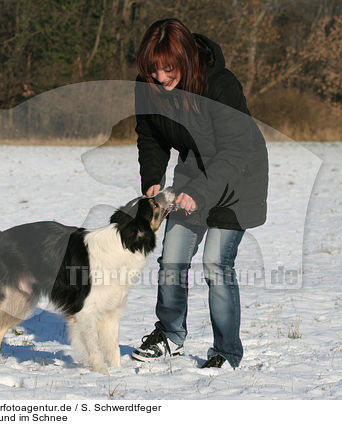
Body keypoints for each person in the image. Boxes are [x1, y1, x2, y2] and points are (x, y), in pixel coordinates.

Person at [131, 18, 268, 368]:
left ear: (185, 59)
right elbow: (151, 135)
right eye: (152, 70)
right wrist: (153, 178)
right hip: (194, 174)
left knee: (215, 264)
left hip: (239, 178)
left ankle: (226, 351)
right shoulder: (146, 86)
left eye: (167, 68)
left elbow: (236, 150)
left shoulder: (219, 85)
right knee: (173, 259)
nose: (160, 78)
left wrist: (202, 192)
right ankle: (171, 334)